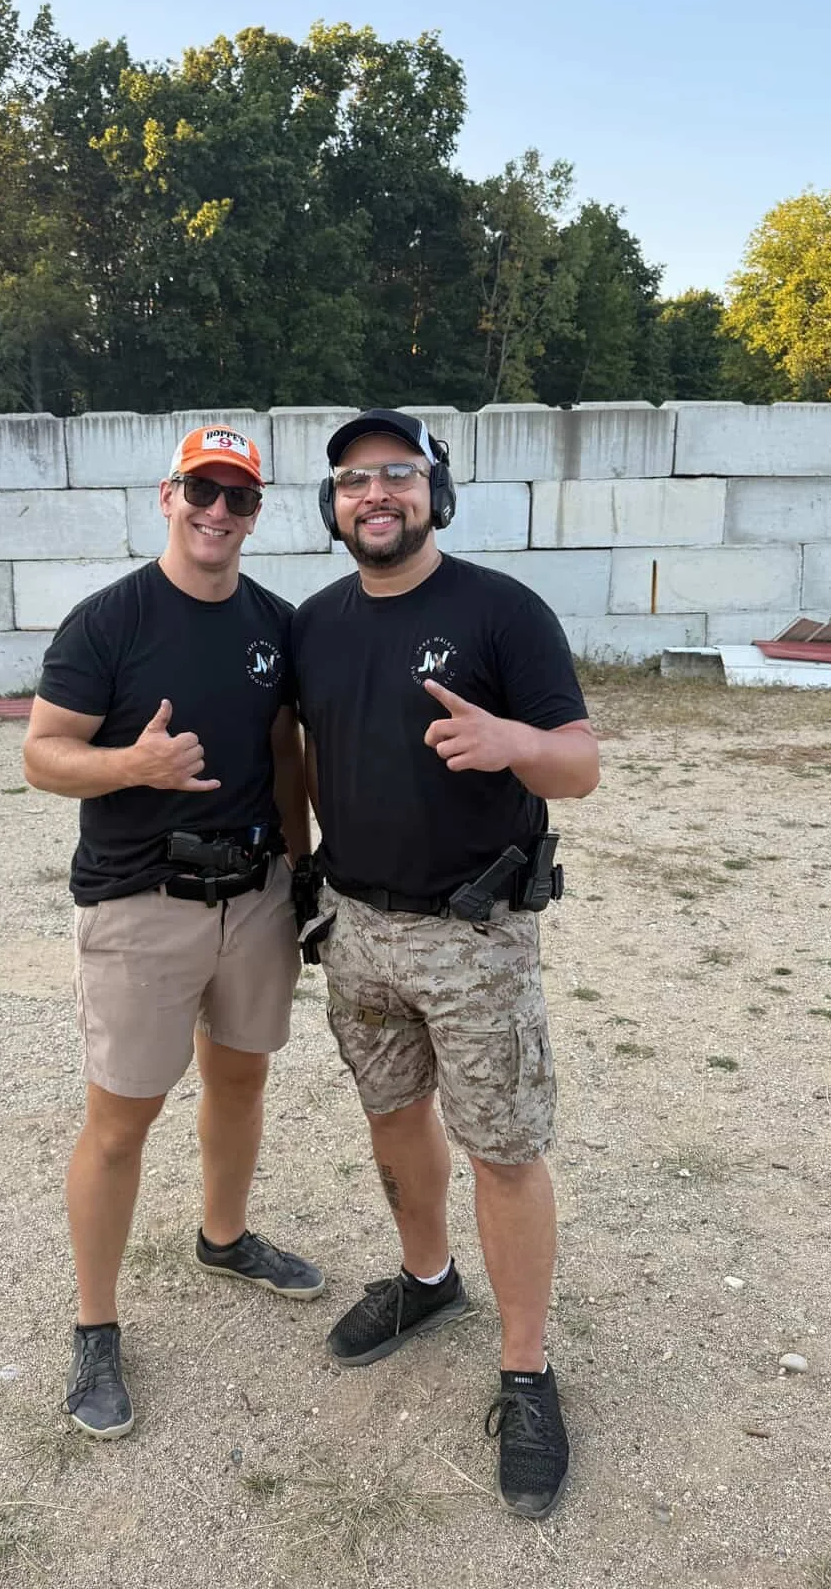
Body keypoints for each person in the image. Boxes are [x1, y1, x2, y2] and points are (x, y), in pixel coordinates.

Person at [291, 409, 599, 1520]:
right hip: (355, 931)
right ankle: (429, 1280)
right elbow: (301, 754)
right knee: (392, 1114)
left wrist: (514, 743)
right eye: (353, 480)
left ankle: (527, 1369)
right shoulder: (315, 625)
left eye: (398, 475)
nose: (376, 494)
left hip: (476, 936)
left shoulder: (501, 609)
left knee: (506, 1150)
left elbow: (579, 765)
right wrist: (298, 876)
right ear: (332, 506)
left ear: (436, 489)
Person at [23, 422, 323, 1442]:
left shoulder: (275, 622)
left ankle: (225, 1236)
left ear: (256, 511)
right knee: (121, 1120)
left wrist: (303, 859)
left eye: (239, 496)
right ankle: (96, 1322)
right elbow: (43, 753)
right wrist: (130, 768)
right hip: (139, 899)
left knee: (241, 1079)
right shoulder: (107, 621)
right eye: (203, 489)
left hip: (255, 897)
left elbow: (285, 750)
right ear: (167, 494)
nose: (218, 512)